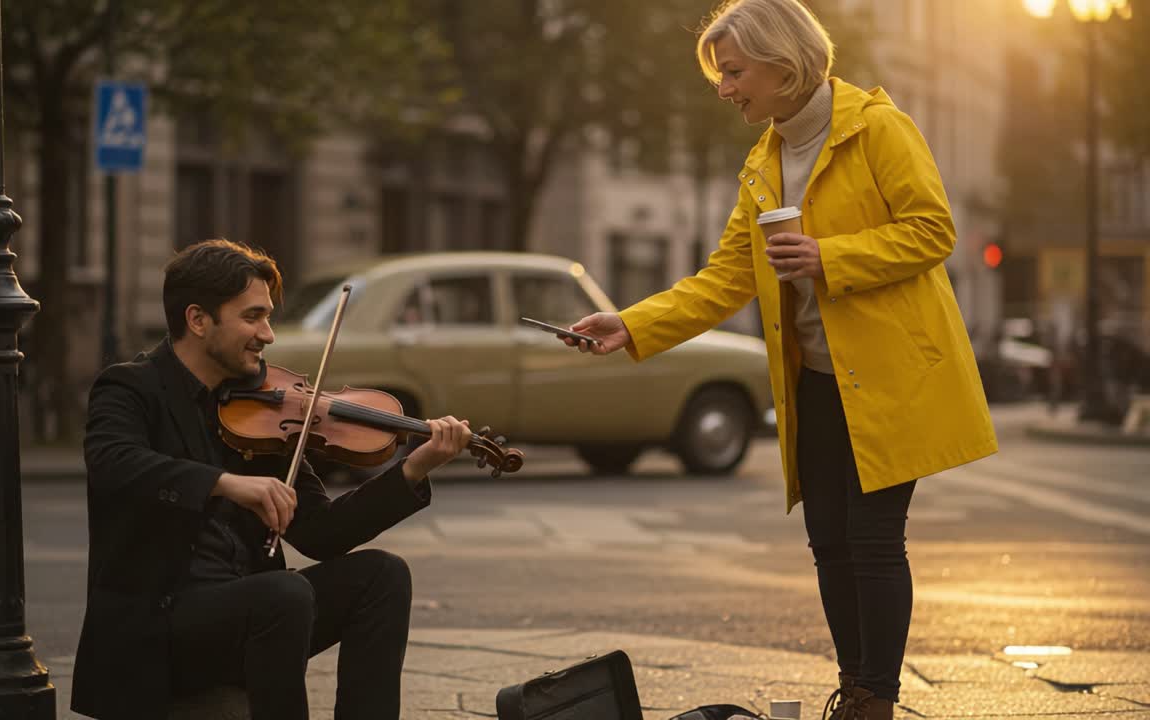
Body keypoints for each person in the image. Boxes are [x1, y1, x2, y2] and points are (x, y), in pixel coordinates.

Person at [559, 1, 998, 718]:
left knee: (874, 540)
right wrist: (631, 326)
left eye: (733, 72)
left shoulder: (878, 127)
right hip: (816, 381)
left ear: (782, 61)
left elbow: (932, 230)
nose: (725, 88)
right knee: (827, 540)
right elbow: (725, 279)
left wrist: (831, 257)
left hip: (890, 381)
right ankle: (854, 684)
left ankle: (875, 704)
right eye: (719, 76)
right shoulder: (763, 161)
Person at [70, 239, 473, 720]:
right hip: (160, 625)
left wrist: (413, 468)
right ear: (198, 320)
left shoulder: (262, 405)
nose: (268, 334)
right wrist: (225, 482)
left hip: (257, 615)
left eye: (268, 317)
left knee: (382, 576)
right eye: (252, 317)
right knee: (283, 592)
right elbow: (115, 462)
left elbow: (322, 533)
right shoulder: (130, 388)